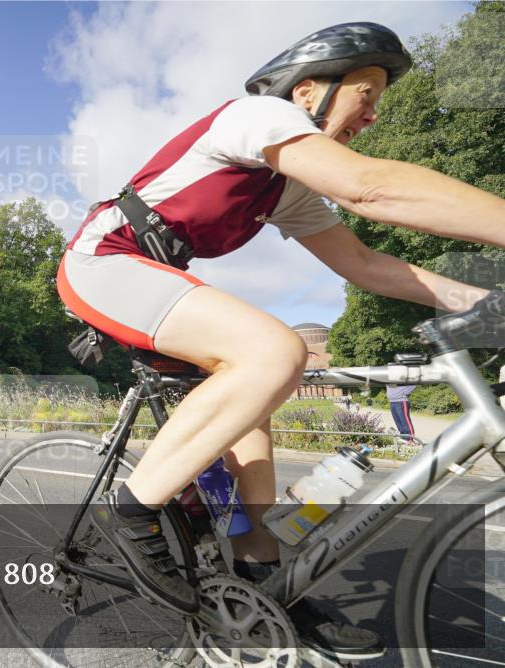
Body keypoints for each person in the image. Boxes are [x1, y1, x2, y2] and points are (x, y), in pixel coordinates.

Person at [58, 21, 505, 660]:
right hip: (104, 258)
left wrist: (484, 305)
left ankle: (265, 583)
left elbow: (367, 264)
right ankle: (134, 510)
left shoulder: (287, 189)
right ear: (306, 91)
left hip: (158, 274)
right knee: (275, 352)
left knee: (252, 422)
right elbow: (369, 188)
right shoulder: (255, 117)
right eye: (367, 93)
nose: (373, 116)